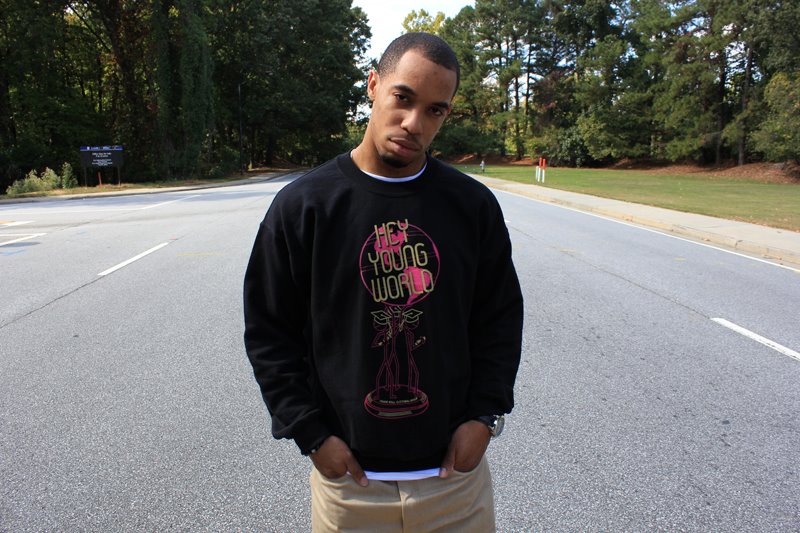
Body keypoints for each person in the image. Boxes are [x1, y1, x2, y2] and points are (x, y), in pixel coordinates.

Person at [244, 32, 523, 532]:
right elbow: (269, 331)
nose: (414, 123)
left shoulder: (471, 207)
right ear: (373, 85)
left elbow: (499, 319)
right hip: (352, 486)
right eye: (403, 98)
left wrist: (485, 417)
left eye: (434, 110)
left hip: (453, 483)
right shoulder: (304, 207)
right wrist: (311, 434)